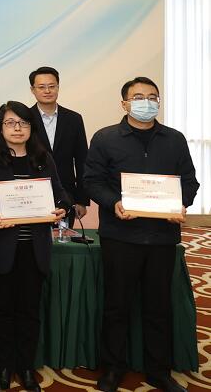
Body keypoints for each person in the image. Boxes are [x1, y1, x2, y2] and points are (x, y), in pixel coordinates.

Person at [83, 77, 198, 392]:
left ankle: (159, 371)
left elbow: (189, 181)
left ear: (158, 102)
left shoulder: (174, 139)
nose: (146, 102)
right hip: (120, 236)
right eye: (138, 97)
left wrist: (181, 203)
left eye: (152, 96)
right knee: (117, 305)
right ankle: (112, 369)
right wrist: (114, 203)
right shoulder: (105, 138)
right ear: (124, 103)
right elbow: (92, 181)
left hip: (162, 237)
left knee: (158, 306)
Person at [0, 101, 69, 392]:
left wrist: (62, 207)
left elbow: (60, 194)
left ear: (31, 127)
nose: (17, 128)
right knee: (1, 310)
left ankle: (27, 367)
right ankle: (4, 367)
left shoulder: (43, 158)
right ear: (0, 127)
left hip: (33, 250)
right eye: (10, 123)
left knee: (29, 311)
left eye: (23, 123)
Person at [27, 66, 90, 224]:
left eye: (52, 86)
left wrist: (81, 200)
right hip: (32, 194)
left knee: (63, 237)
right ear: (32, 90)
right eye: (41, 87)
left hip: (66, 195)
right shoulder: (25, 119)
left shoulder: (74, 119)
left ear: (58, 87)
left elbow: (82, 160)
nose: (47, 91)